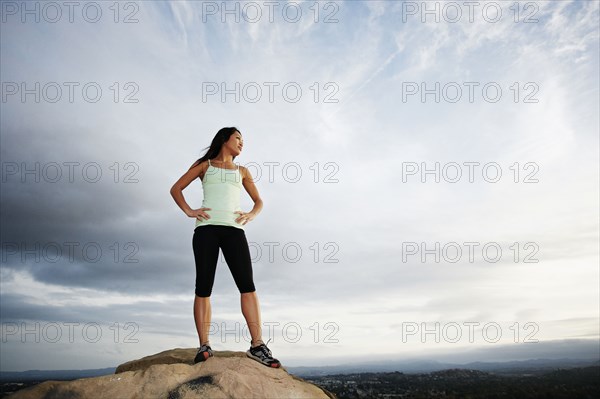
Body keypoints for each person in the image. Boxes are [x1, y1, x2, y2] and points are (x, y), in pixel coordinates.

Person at [170, 126, 281, 368]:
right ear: (225, 139)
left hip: (234, 231)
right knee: (203, 287)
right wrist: (189, 211)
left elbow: (259, 200)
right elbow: (176, 189)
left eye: (243, 140)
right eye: (238, 138)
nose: (242, 143)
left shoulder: (242, 171)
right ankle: (204, 346)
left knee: (247, 286)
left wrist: (251, 214)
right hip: (206, 230)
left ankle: (257, 345)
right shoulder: (204, 165)